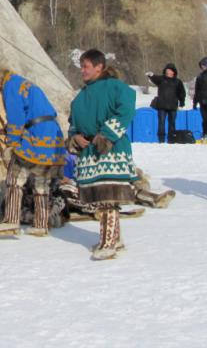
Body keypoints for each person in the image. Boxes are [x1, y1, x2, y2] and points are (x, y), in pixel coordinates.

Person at [68, 49, 137, 260]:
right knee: (101, 198)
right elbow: (73, 124)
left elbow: (127, 108)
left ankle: (108, 244)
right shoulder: (79, 98)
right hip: (90, 152)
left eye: (86, 66)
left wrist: (107, 134)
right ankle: (114, 238)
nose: (83, 71)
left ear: (99, 67)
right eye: (82, 66)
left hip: (111, 151)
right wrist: (75, 137)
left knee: (108, 198)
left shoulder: (115, 87)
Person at [0, 65, 65, 237]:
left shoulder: (11, 85)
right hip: (51, 133)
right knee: (41, 181)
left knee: (15, 177)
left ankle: (11, 221)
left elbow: (16, 116)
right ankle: (41, 224)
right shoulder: (26, 84)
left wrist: (12, 142)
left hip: (35, 135)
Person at [148, 64, 186, 143]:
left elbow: (182, 93)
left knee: (172, 123)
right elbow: (155, 78)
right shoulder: (161, 79)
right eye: (166, 70)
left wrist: (182, 103)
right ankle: (161, 140)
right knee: (161, 123)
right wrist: (151, 75)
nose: (167, 71)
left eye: (169, 70)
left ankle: (171, 139)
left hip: (173, 106)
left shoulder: (178, 82)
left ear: (173, 72)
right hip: (162, 106)